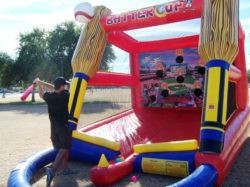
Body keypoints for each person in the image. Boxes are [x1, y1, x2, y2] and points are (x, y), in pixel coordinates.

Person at [34, 77, 72, 187]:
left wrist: (39, 83)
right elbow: (53, 87)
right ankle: (53, 169)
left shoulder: (50, 97)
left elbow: (42, 94)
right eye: (64, 85)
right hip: (63, 126)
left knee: (62, 148)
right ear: (61, 86)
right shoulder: (65, 95)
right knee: (65, 147)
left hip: (53, 127)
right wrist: (41, 83)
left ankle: (65, 169)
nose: (65, 86)